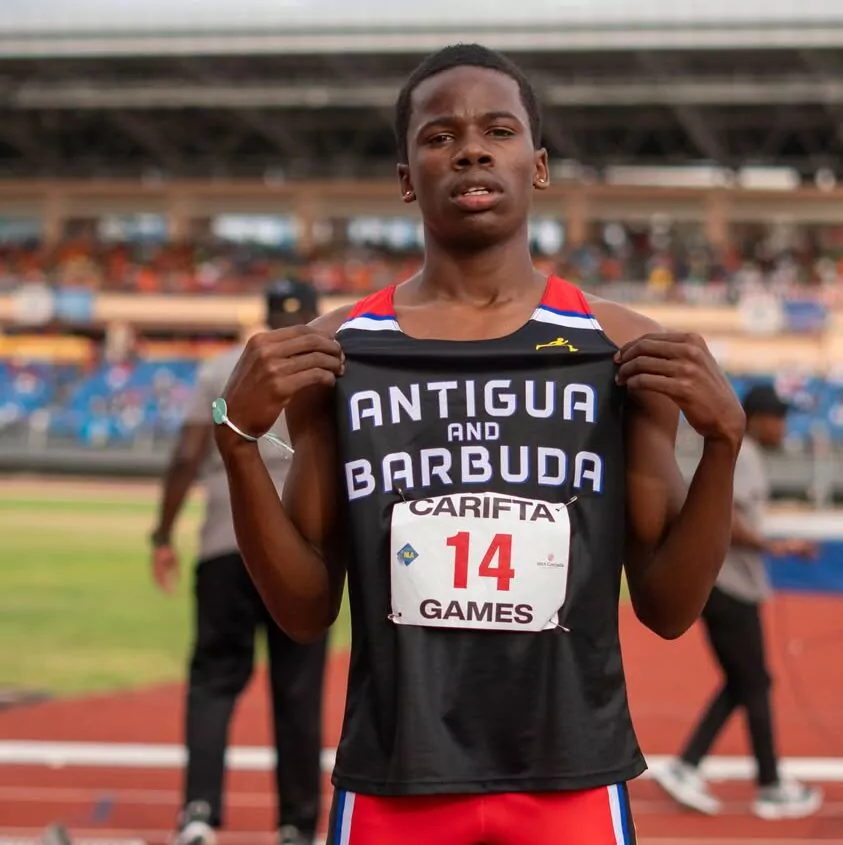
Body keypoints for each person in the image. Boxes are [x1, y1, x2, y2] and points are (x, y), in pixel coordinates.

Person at [211, 44, 747, 844]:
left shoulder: (621, 349)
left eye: (497, 130)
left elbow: (668, 609)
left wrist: (724, 445)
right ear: (405, 178)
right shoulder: (337, 353)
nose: (470, 149)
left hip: (571, 777)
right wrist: (236, 441)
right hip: (396, 778)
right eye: (439, 136)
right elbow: (303, 610)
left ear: (537, 165)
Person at [150, 279, 327, 845]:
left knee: (213, 681)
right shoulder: (330, 369)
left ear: (265, 313)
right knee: (298, 690)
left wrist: (162, 533)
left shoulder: (222, 369)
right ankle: (297, 824)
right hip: (300, 550)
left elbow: (187, 455)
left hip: (225, 544)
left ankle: (199, 812)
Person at [653, 383, 823, 821]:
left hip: (728, 585)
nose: (783, 428)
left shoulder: (743, 455)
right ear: (758, 419)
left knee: (745, 681)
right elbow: (724, 517)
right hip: (730, 587)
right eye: (778, 419)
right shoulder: (741, 456)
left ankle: (690, 766)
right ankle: (769, 786)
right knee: (755, 683)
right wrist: (773, 546)